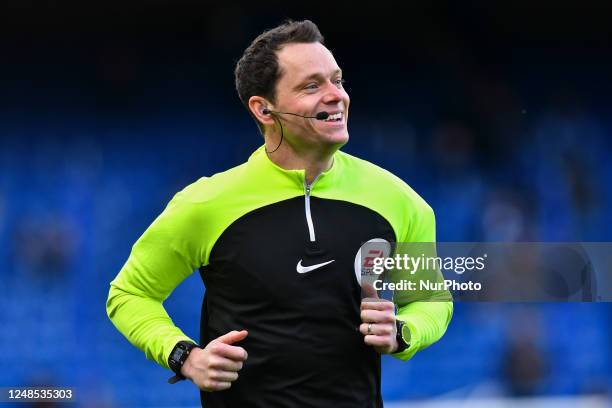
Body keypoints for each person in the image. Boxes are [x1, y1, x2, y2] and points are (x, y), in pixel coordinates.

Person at [106, 19, 453, 407]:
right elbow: (130, 294)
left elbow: (431, 299)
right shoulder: (204, 203)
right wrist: (184, 355)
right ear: (264, 109)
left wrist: (403, 332)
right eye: (311, 86)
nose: (335, 95)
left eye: (337, 81)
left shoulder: (400, 200)